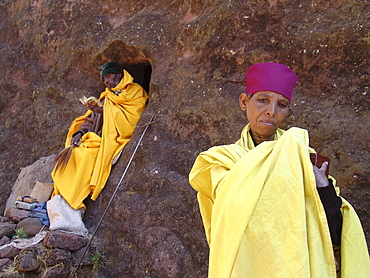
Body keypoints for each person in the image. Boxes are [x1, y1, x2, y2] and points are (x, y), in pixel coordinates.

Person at [189, 63, 370, 278]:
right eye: (262, 100)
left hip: (296, 267)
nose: (271, 111)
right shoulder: (220, 161)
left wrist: (324, 188)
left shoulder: (303, 157)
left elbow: (333, 234)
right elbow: (226, 222)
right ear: (244, 102)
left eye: (281, 104)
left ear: (288, 112)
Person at [52, 62, 148, 210]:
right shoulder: (106, 97)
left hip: (115, 140)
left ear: (119, 74)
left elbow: (133, 121)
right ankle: (62, 200)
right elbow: (89, 121)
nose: (107, 81)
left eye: (109, 76)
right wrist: (79, 133)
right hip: (96, 139)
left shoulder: (136, 92)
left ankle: (74, 202)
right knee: (71, 156)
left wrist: (106, 112)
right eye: (104, 80)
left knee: (86, 156)